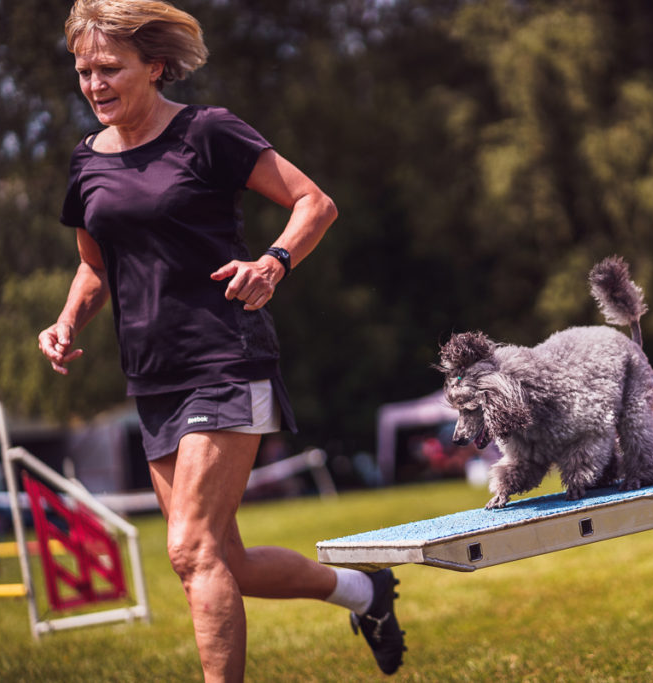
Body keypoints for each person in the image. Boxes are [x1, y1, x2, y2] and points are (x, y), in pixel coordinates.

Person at [37, 1, 405, 679]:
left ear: (155, 66)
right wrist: (64, 324)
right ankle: (366, 591)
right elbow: (95, 266)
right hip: (153, 377)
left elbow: (312, 202)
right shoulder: (85, 161)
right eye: (84, 71)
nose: (94, 85)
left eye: (110, 68)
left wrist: (273, 262)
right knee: (222, 559)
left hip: (225, 359)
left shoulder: (207, 132)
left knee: (190, 549)